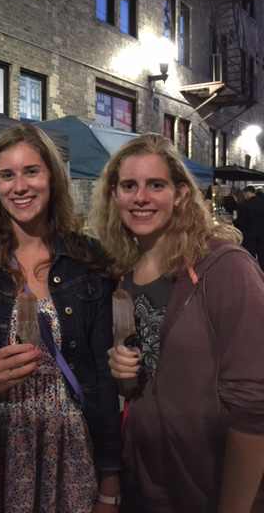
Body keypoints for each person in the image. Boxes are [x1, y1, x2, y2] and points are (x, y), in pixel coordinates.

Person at [0, 123, 121, 513]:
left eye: (31, 171)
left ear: (52, 177)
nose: (20, 186)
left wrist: (110, 484)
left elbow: (102, 379)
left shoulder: (89, 260)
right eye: (7, 175)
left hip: (64, 447)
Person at [93, 133, 264, 513]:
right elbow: (148, 384)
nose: (141, 197)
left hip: (211, 488)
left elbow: (255, 408)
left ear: (181, 194)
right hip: (145, 487)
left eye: (156, 185)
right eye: (128, 186)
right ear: (114, 195)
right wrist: (123, 373)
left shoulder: (225, 268)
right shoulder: (123, 274)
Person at [234, 185, 264, 270]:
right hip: (262, 233)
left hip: (249, 234)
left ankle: (253, 270)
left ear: (248, 193)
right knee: (262, 255)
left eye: (244, 194)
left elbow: (241, 221)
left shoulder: (245, 204)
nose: (244, 196)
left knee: (251, 255)